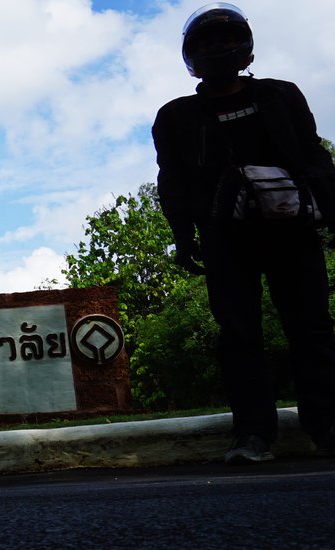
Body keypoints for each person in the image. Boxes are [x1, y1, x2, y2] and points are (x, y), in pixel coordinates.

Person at [153, 3, 335, 464]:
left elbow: (315, 158)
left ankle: (327, 426)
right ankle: (252, 434)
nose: (218, 48)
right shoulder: (176, 117)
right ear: (192, 56)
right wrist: (183, 235)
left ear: (246, 49)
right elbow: (172, 180)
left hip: (292, 233)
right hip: (226, 241)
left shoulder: (282, 96)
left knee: (311, 330)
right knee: (238, 336)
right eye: (207, 43)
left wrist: (325, 210)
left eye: (226, 39)